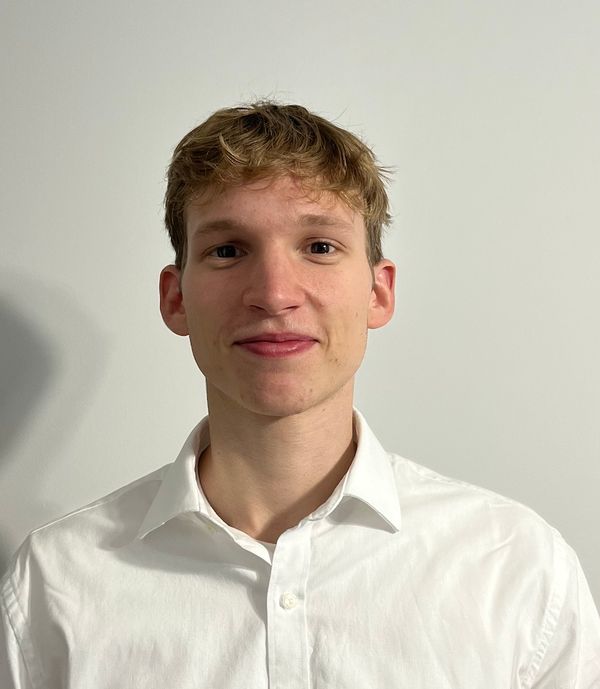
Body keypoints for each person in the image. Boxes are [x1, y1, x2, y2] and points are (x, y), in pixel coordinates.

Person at [1, 101, 599, 688]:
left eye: (319, 247)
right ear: (175, 298)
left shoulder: (515, 569)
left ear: (378, 292)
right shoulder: (54, 586)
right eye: (228, 250)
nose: (274, 293)